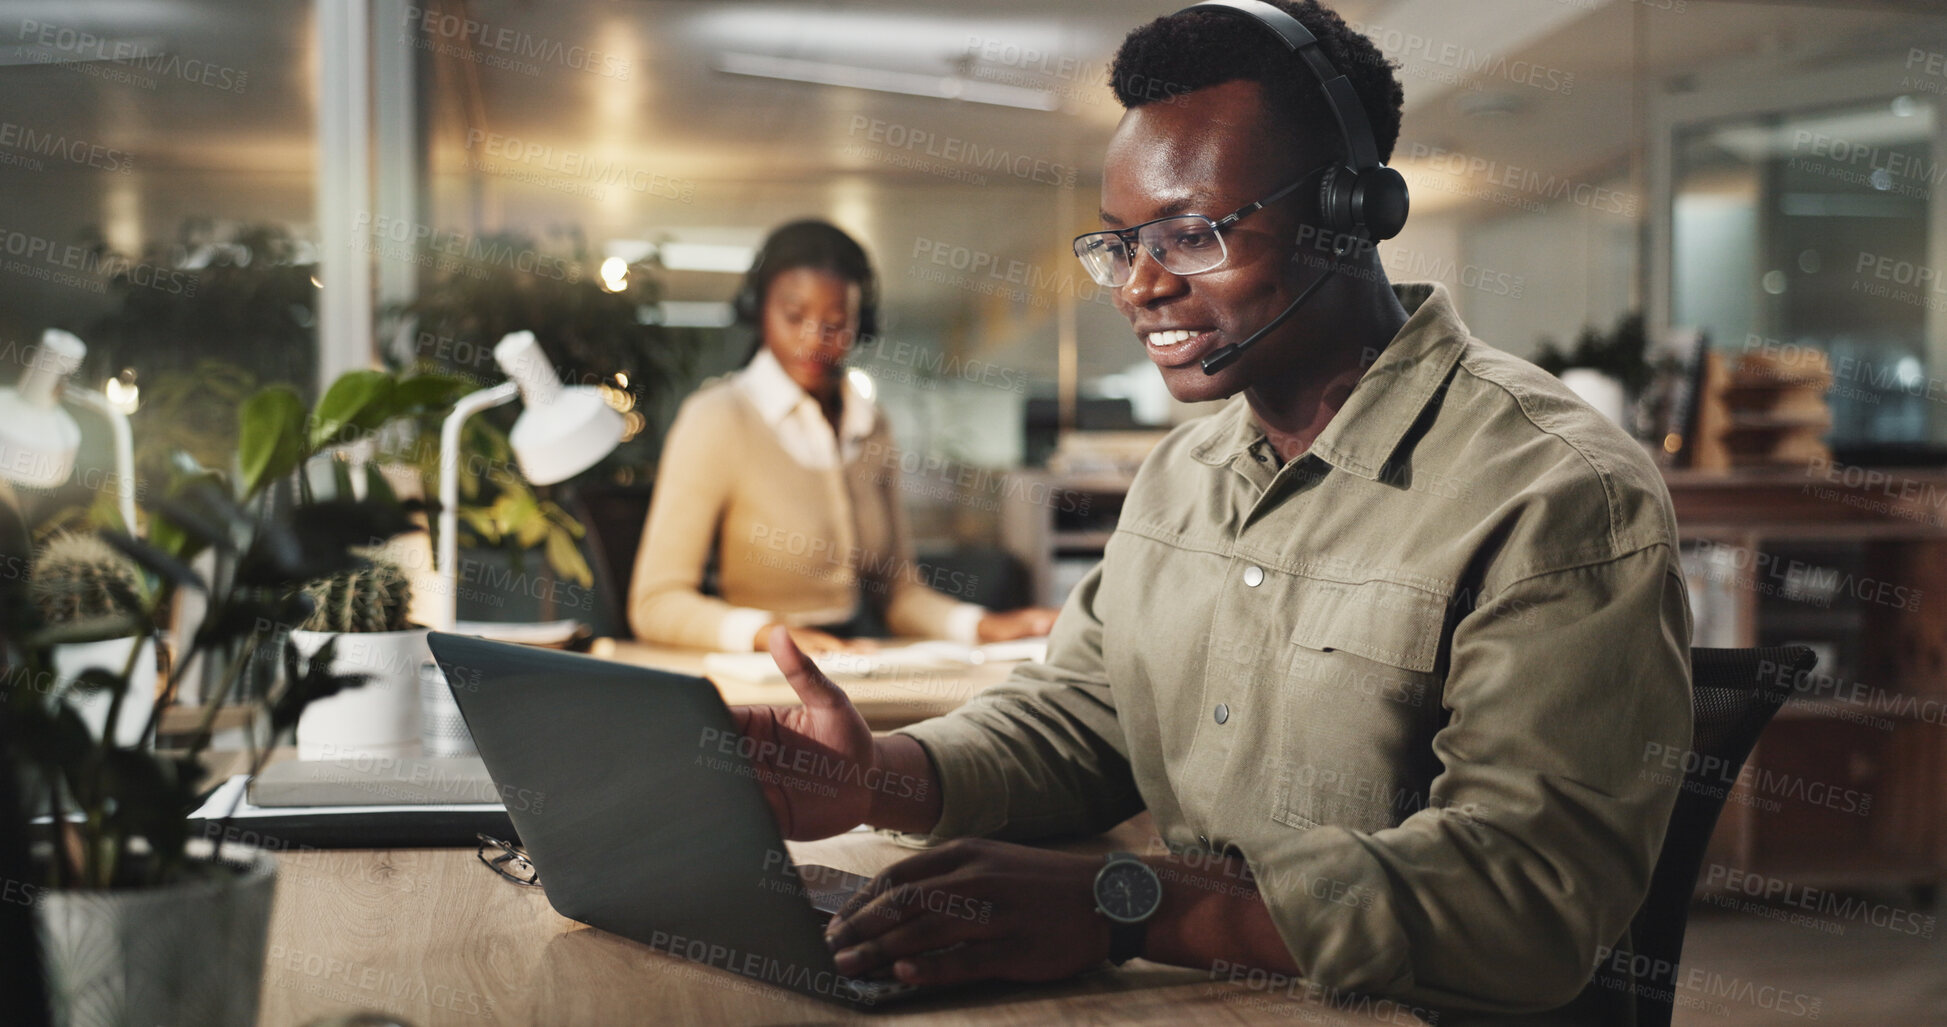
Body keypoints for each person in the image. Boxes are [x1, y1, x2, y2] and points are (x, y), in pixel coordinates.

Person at [727, 3, 1692, 1023]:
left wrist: (1127, 903)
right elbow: (1085, 722)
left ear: (1347, 212)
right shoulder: (1181, 476)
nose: (1140, 285)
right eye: (1121, 243)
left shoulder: (1556, 492)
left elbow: (1525, 897)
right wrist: (880, 773)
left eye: (1189, 235)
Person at [629, 220, 1058, 653]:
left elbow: (898, 593)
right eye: (794, 317)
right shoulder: (717, 419)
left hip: (855, 663)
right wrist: (769, 637)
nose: (815, 340)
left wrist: (984, 627)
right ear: (759, 310)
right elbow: (656, 603)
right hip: (756, 675)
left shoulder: (871, 426)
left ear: (861, 324)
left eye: (836, 323)